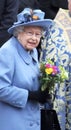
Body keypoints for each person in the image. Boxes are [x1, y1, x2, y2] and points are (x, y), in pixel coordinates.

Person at [0, 8, 53, 130]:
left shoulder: (32, 51)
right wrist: (30, 95)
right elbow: (1, 88)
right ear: (19, 33)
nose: (34, 38)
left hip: (30, 119)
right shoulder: (7, 52)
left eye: (38, 34)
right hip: (12, 122)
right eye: (29, 33)